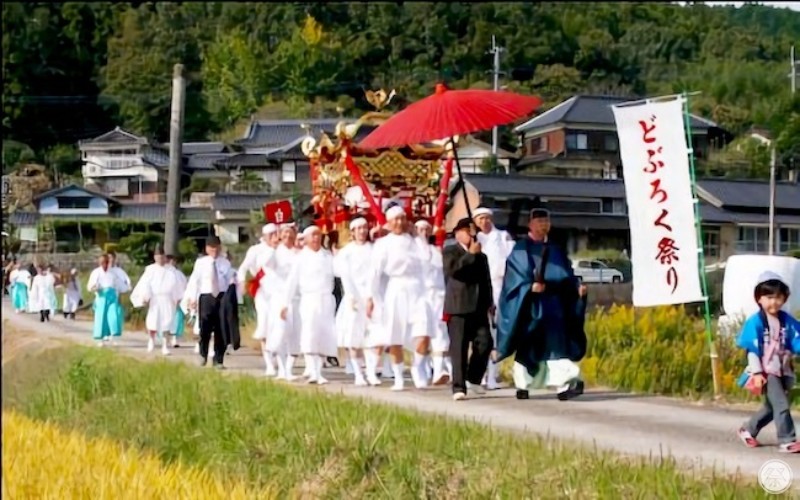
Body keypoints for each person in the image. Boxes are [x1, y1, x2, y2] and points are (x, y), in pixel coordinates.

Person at [496, 207, 588, 401]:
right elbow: (514, 277)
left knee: (557, 344)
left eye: (546, 221)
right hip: (531, 305)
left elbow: (567, 274)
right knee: (529, 347)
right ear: (530, 224)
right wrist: (529, 287)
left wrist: (577, 287)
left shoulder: (556, 249)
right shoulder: (521, 248)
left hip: (555, 305)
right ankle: (522, 384)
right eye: (539, 221)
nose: (543, 225)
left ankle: (564, 385)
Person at [367, 205, 434, 391]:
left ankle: (417, 366)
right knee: (394, 336)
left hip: (417, 289)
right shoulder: (383, 244)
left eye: (402, 218)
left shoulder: (414, 241)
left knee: (424, 332)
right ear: (389, 222)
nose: (399, 222)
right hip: (396, 288)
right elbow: (374, 273)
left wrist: (418, 236)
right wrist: (371, 297)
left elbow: (426, 257)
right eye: (395, 219)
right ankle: (398, 377)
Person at [736, 272, 800, 453]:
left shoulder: (787, 321)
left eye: (778, 297)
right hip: (766, 370)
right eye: (769, 297)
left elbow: (796, 340)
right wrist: (757, 373)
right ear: (759, 299)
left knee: (772, 407)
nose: (774, 302)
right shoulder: (755, 322)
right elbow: (752, 350)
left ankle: (748, 429)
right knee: (781, 405)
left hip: (784, 370)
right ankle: (787, 440)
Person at [443, 218, 494, 401]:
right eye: (466, 231)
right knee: (459, 347)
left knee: (485, 342)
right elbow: (454, 272)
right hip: (459, 306)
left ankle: (473, 378)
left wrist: (490, 302)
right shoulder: (451, 252)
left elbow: (486, 281)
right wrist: (470, 255)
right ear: (458, 233)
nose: (470, 235)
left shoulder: (482, 256)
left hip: (479, 306)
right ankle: (458, 386)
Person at [281, 226, 338, 385]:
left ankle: (319, 371)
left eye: (318, 235)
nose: (316, 238)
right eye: (312, 235)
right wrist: (285, 303)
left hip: (326, 299)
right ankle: (312, 371)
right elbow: (292, 282)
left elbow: (339, 272)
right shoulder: (300, 258)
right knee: (310, 333)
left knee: (324, 334)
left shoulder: (328, 256)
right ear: (305, 239)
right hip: (309, 299)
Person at [473, 206, 515, 390]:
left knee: (496, 332)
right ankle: (480, 373)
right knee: (482, 333)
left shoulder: (502, 236)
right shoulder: (475, 239)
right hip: (479, 288)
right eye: (480, 218)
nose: (484, 222)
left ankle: (493, 374)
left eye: (487, 218)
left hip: (499, 287)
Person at [334, 217, 379, 386]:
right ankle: (358, 374)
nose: (362, 231)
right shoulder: (346, 252)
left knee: (372, 337)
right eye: (358, 228)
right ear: (352, 232)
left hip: (371, 298)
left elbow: (376, 275)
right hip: (353, 298)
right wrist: (352, 297)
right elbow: (344, 275)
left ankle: (372, 372)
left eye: (364, 228)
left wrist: (372, 296)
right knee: (354, 338)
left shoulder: (373, 250)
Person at [185, 236, 234, 369]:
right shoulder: (201, 263)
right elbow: (195, 281)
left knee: (221, 329)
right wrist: (192, 298)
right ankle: (203, 354)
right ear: (207, 249)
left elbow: (231, 280)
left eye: (217, 247)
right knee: (205, 327)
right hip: (206, 296)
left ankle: (218, 359)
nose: (215, 250)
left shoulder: (225, 263)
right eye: (212, 248)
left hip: (222, 297)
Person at [239, 224, 281, 376]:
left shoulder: (282, 249)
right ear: (264, 236)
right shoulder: (256, 250)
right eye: (271, 234)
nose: (275, 237)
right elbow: (243, 268)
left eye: (276, 233)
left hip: (280, 293)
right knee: (265, 324)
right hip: (263, 291)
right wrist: (243, 283)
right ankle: (269, 363)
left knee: (279, 325)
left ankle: (278, 357)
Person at [414, 219, 452, 386]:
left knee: (440, 332)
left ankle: (439, 371)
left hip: (438, 295)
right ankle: (419, 367)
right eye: (420, 229)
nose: (424, 232)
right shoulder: (411, 249)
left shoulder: (435, 251)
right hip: (420, 295)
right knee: (423, 333)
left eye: (426, 229)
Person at [130, 244, 185, 356]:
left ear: (165, 257)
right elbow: (144, 284)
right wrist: (145, 297)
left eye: (162, 256)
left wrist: (178, 297)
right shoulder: (150, 269)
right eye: (158, 256)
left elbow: (177, 285)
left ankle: (165, 345)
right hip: (155, 299)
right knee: (153, 321)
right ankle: (151, 340)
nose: (160, 258)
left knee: (167, 322)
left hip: (167, 298)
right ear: (155, 257)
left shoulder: (171, 270)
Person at [87, 254, 126, 345]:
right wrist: (94, 288)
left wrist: (122, 291)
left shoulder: (113, 273)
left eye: (105, 262)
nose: (104, 264)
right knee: (102, 318)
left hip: (112, 297)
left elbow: (118, 284)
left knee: (113, 316)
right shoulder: (96, 272)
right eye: (101, 262)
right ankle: (101, 338)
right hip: (101, 297)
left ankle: (113, 336)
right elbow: (90, 286)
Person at [108, 251, 132, 335]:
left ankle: (113, 332)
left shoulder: (119, 271)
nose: (110, 260)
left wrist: (123, 291)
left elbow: (126, 282)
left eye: (112, 258)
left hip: (115, 295)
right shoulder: (103, 270)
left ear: (115, 259)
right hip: (104, 296)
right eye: (108, 258)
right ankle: (104, 334)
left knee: (114, 315)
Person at [166, 255, 188, 347]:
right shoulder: (164, 272)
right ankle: (166, 339)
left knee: (177, 319)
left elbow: (184, 286)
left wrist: (181, 298)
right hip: (167, 300)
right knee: (167, 320)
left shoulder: (179, 274)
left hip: (177, 299)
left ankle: (175, 339)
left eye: (173, 261)